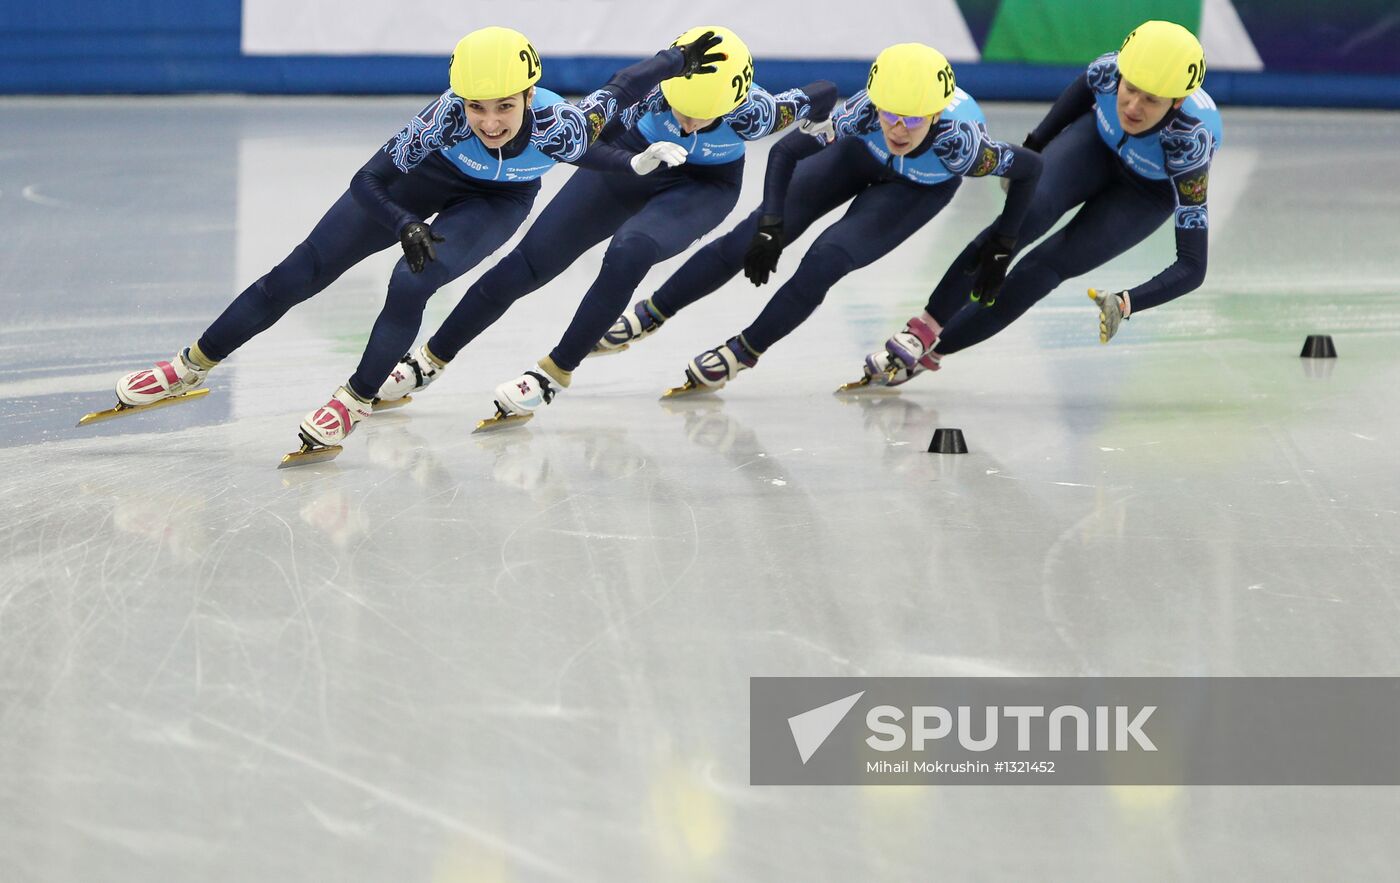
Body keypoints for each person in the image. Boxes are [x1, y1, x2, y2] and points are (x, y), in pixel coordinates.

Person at [84, 26, 727, 464]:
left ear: (529, 96)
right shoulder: (443, 118)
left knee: (413, 283)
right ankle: (190, 365)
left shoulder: (559, 123)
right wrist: (403, 224)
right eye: (478, 107)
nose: (491, 121)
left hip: (495, 204)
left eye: (505, 106)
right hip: (421, 187)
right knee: (303, 270)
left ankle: (356, 397)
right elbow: (368, 181)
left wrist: (668, 77)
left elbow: (615, 102)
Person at [372, 27, 838, 429]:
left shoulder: (756, 113)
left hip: (703, 187)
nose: (688, 122)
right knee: (530, 262)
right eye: (680, 109)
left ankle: (554, 372)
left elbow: (823, 91)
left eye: (702, 116)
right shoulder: (645, 101)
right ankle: (430, 359)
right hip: (632, 162)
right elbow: (599, 121)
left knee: (630, 249)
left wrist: (817, 126)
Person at [582, 43, 1042, 397]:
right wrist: (770, 221)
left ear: (937, 114)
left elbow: (1031, 169)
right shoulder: (864, 114)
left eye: (913, 119)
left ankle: (745, 350)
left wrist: (1004, 241)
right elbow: (785, 151)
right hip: (856, 155)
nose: (898, 128)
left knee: (827, 259)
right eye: (890, 114)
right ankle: (653, 312)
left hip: (917, 188)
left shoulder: (961, 145)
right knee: (748, 238)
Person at [860, 20, 1221, 388]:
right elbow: (1079, 93)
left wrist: (1126, 303)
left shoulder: (1191, 141)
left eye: (1152, 100)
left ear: (1177, 102)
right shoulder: (1110, 69)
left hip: (1147, 191)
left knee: (1040, 271)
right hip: (1093, 145)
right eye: (1131, 89)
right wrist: (1034, 148)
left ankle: (932, 354)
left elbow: (1193, 266)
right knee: (1020, 222)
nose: (1132, 105)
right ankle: (920, 332)